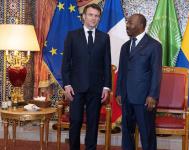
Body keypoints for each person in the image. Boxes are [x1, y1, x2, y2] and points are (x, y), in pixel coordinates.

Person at [61, 4, 111, 150]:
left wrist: (106, 87)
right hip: (75, 88)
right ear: (83, 16)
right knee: (75, 121)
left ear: (99, 18)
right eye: (90, 15)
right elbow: (65, 63)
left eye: (96, 16)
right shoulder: (72, 36)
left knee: (93, 122)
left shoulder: (104, 37)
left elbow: (106, 63)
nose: (93, 18)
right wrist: (67, 84)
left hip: (96, 88)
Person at [116, 14, 162, 150]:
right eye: (127, 22)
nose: (127, 25)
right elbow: (122, 72)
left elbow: (156, 73)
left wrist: (153, 95)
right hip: (126, 97)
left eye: (130, 23)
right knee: (127, 134)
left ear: (141, 26)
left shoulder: (154, 46)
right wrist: (119, 92)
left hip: (144, 99)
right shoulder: (125, 46)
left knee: (146, 134)